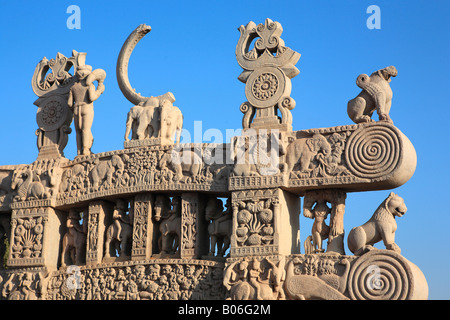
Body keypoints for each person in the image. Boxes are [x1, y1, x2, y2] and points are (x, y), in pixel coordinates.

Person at [68, 65, 105, 155]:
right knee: (86, 129)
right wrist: (99, 91)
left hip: (76, 108)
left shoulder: (73, 87)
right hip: (86, 107)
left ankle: (78, 151)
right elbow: (92, 98)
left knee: (78, 131)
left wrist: (73, 109)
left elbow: (69, 103)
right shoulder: (89, 85)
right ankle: (85, 149)